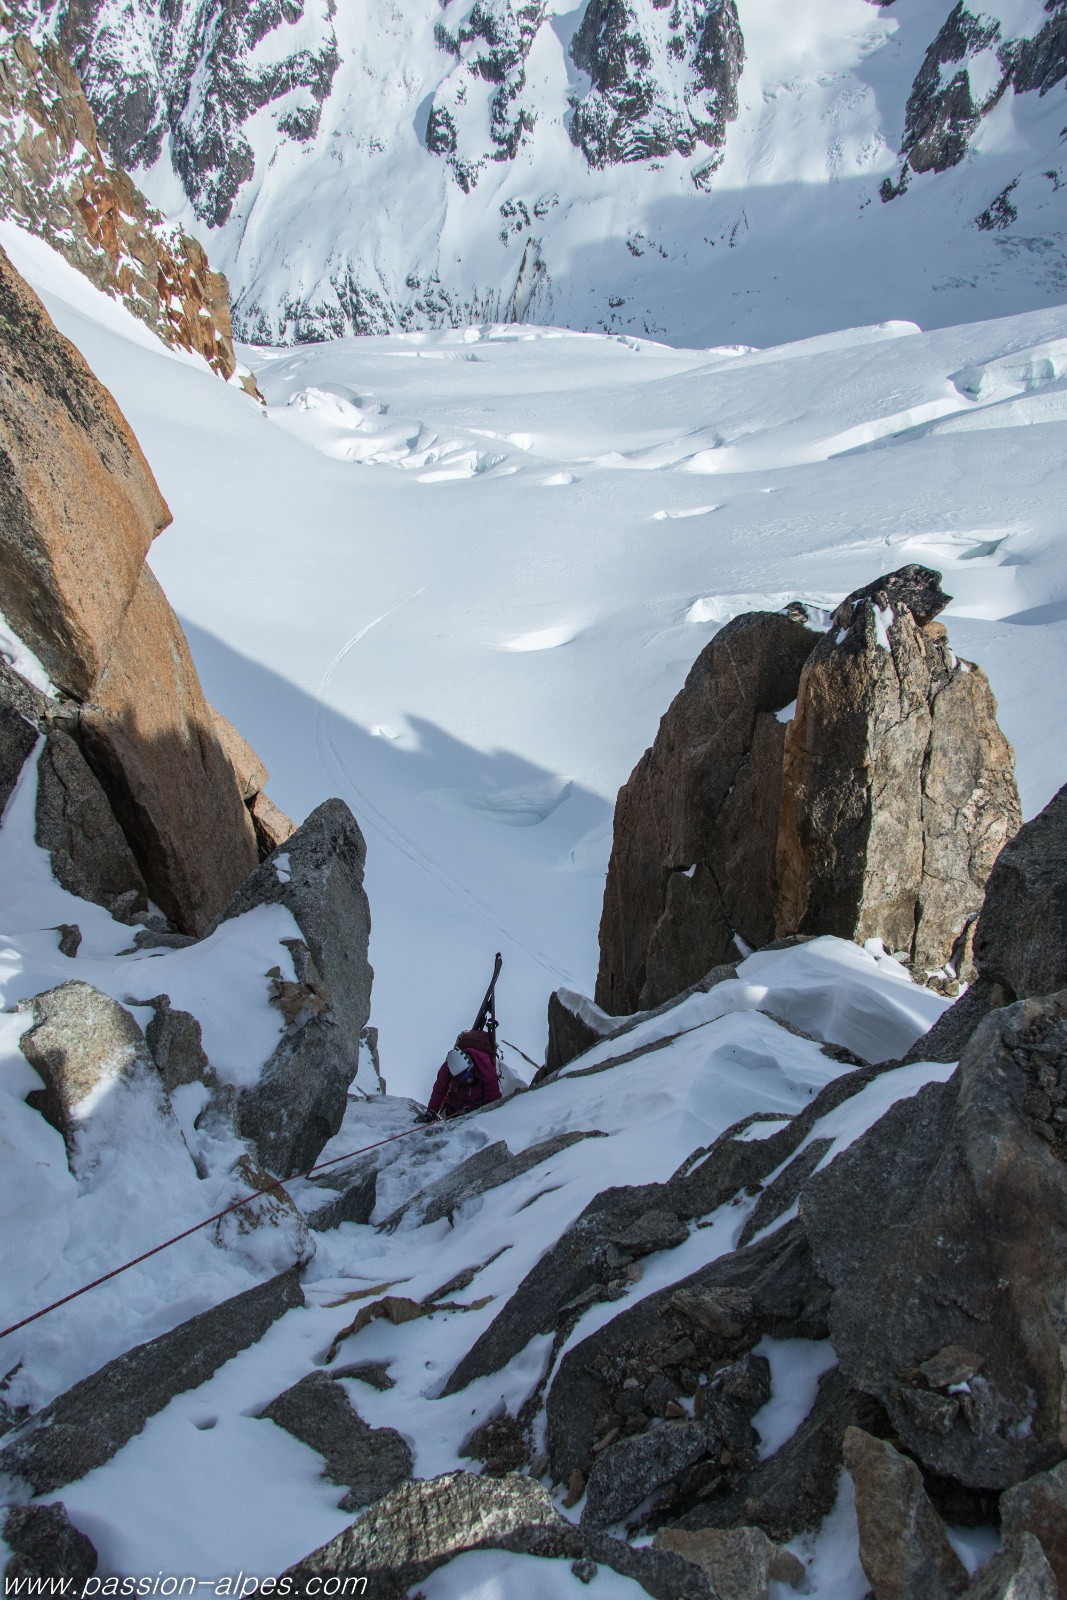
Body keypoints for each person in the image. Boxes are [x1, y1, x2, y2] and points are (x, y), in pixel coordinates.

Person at [420, 1028, 502, 1121]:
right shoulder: (448, 1068)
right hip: (456, 1104)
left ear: (471, 1066)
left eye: (467, 1075)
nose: (467, 1079)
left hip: (478, 1106)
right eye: (462, 1078)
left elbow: (493, 1096)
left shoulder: (484, 1065)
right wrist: (432, 1111)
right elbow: (439, 1089)